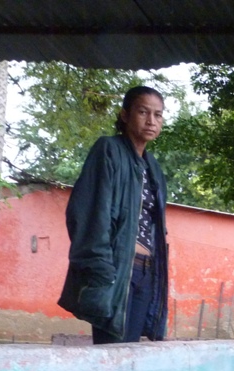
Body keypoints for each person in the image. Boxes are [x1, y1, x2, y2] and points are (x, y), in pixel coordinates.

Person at [58, 85, 170, 344]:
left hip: (147, 272)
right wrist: (102, 270)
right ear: (124, 115)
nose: (151, 121)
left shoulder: (153, 167)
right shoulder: (108, 150)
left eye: (158, 115)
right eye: (143, 112)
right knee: (113, 356)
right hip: (118, 269)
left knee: (131, 356)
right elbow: (87, 213)